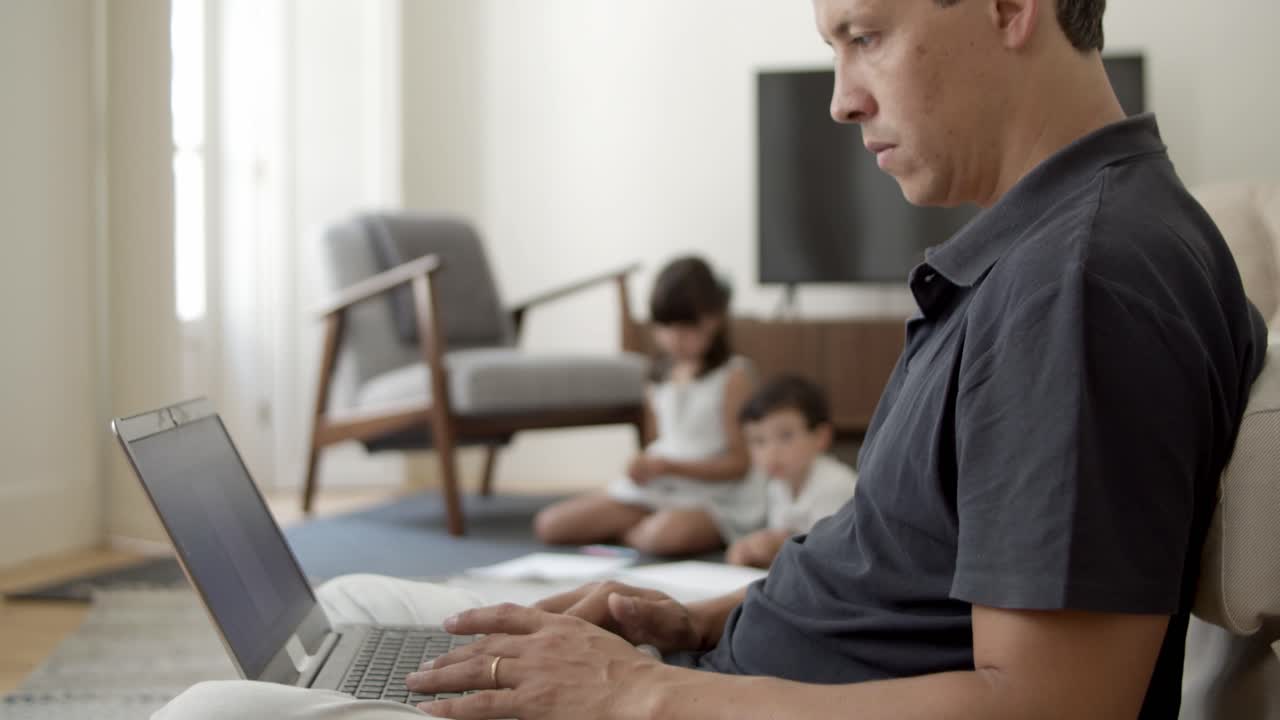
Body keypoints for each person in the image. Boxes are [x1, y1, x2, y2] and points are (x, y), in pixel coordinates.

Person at [156, 0, 1269, 718]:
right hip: (722, 665)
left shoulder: (1076, 282)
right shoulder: (1060, 245)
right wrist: (707, 617)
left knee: (218, 711)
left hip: (703, 707)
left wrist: (633, 694)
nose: (841, 97)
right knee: (345, 605)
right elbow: (907, 567)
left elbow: (1049, 709)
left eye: (864, 35)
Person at [533, 256, 762, 557]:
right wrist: (644, 466)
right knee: (551, 525)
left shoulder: (733, 376)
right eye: (665, 327)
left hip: (717, 493)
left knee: (664, 537)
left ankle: (638, 530)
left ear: (714, 320)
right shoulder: (658, 376)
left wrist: (671, 467)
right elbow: (658, 442)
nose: (674, 339)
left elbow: (739, 464)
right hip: (663, 488)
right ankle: (639, 527)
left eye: (686, 328)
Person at [726, 374, 857, 569]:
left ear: (820, 437)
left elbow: (831, 552)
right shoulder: (777, 485)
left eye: (786, 436)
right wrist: (752, 550)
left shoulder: (835, 484)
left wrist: (777, 543)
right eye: (758, 441)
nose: (771, 452)